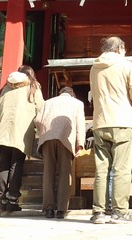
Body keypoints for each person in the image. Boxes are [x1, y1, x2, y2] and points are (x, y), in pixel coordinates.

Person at [89, 36, 132, 224]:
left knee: (101, 169)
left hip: (100, 120)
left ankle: (98, 212)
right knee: (121, 168)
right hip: (121, 120)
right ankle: (120, 212)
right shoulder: (125, 64)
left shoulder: (94, 67)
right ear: (120, 48)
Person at [0, 64, 44, 214]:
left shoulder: (5, 88)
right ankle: (12, 200)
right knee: (16, 164)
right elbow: (40, 109)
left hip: (3, 130)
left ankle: (2, 199)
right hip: (21, 131)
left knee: (4, 164)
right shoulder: (33, 87)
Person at [34, 86, 86, 220]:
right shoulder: (77, 103)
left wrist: (43, 132)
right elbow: (81, 124)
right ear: (72, 95)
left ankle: (49, 209)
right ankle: (61, 210)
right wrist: (80, 144)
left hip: (47, 138)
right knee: (65, 173)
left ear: (60, 94)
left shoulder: (47, 102)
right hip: (66, 139)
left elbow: (37, 120)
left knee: (48, 173)